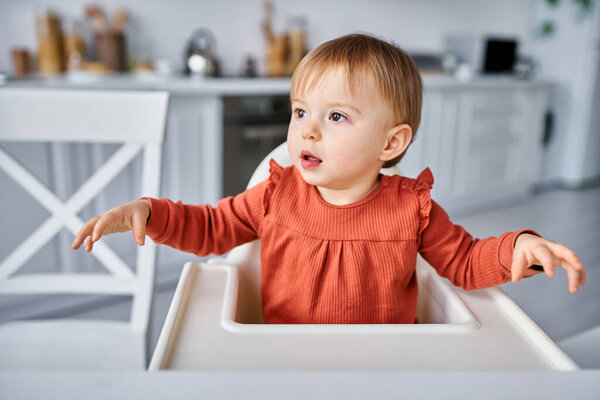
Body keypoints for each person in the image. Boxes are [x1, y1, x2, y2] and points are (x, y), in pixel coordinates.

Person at [72, 33, 585, 324]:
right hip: (286, 360)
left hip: (382, 367)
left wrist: (517, 247)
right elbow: (209, 227)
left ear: (391, 144)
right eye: (300, 112)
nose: (308, 131)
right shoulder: (274, 195)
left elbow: (467, 261)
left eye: (335, 117)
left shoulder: (413, 209)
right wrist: (150, 212)